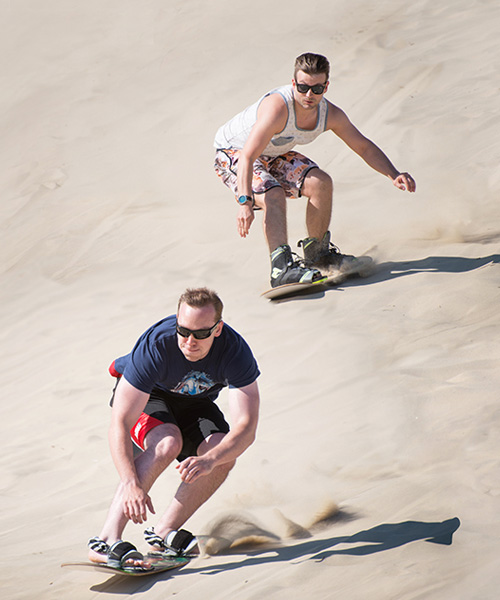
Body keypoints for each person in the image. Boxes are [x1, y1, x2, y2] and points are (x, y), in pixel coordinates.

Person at [88, 288, 260, 569]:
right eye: (184, 330)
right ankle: (106, 539)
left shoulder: (235, 352)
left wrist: (210, 460)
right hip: (150, 396)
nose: (190, 341)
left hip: (194, 402)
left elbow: (246, 428)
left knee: (223, 452)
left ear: (218, 329)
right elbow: (120, 422)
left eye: (201, 333)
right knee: (167, 443)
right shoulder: (157, 345)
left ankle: (163, 533)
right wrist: (131, 482)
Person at [214, 52, 416, 288]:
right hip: (233, 153)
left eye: (317, 89)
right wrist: (244, 203)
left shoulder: (330, 115)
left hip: (272, 154)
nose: (309, 95)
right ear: (293, 84)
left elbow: (362, 146)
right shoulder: (277, 109)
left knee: (320, 182)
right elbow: (248, 156)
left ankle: (318, 256)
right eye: (302, 87)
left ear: (326, 87)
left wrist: (394, 173)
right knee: (273, 193)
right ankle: (281, 269)